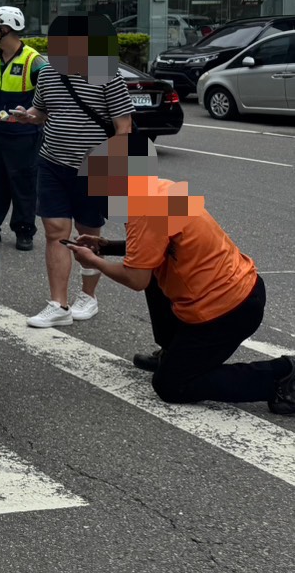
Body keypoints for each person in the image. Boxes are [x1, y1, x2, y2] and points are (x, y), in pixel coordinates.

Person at [65, 134, 294, 414]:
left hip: (227, 311)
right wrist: (107, 247)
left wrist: (93, 261)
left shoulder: (143, 210)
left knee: (172, 385)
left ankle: (281, 375)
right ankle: (173, 351)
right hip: (244, 290)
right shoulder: (160, 190)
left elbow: (136, 279)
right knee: (153, 276)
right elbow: (165, 243)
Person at [6, 13, 133, 328]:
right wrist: (28, 116)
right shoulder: (49, 75)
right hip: (52, 163)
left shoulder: (109, 77)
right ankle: (58, 304)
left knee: (88, 236)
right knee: (54, 232)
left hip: (94, 167)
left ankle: (87, 297)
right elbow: (42, 112)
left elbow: (123, 127)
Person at [0, 7, 48, 252]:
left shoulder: (34, 61)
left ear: (7, 29)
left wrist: (32, 117)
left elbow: (48, 99)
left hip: (23, 133)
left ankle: (24, 230)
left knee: (24, 183)